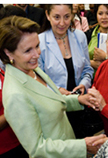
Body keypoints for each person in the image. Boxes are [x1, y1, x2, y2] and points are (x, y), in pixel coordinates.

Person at [0, 15, 106, 158]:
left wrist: (77, 100)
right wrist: (82, 146)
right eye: (28, 50)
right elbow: (37, 147)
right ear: (8, 52)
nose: (37, 54)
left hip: (67, 154)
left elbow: (49, 100)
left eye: (37, 46)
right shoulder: (15, 94)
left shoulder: (30, 68)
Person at [38, 4, 93, 138]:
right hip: (54, 106)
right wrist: (57, 89)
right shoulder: (39, 41)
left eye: (67, 17)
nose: (62, 23)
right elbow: (38, 79)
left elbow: (87, 69)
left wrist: (84, 84)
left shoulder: (80, 36)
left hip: (80, 103)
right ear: (47, 15)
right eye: (56, 17)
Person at [85, 4, 108, 75]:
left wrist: (106, 57)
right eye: (100, 14)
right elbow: (78, 58)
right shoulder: (88, 35)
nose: (104, 17)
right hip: (90, 80)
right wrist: (91, 63)